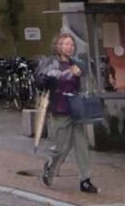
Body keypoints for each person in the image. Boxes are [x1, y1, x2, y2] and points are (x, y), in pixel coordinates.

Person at [35, 29, 98, 194]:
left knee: (82, 145)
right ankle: (50, 167)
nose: (70, 47)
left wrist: (82, 72)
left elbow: (87, 78)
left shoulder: (76, 63)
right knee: (59, 147)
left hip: (76, 109)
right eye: (66, 44)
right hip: (60, 109)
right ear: (58, 46)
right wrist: (68, 73)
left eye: (71, 44)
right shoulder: (51, 63)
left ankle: (85, 180)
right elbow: (43, 80)